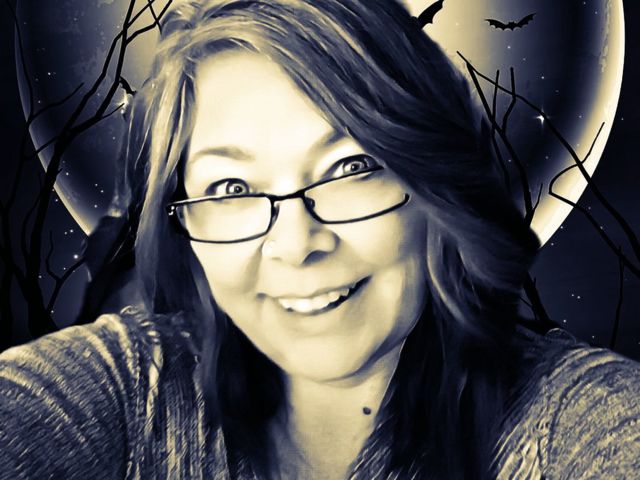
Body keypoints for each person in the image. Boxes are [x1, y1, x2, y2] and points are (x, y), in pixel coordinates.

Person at [1, 1, 639, 478]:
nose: (296, 243)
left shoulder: (571, 421)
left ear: (435, 184)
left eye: (351, 167)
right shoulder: (127, 390)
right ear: (182, 226)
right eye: (230, 187)